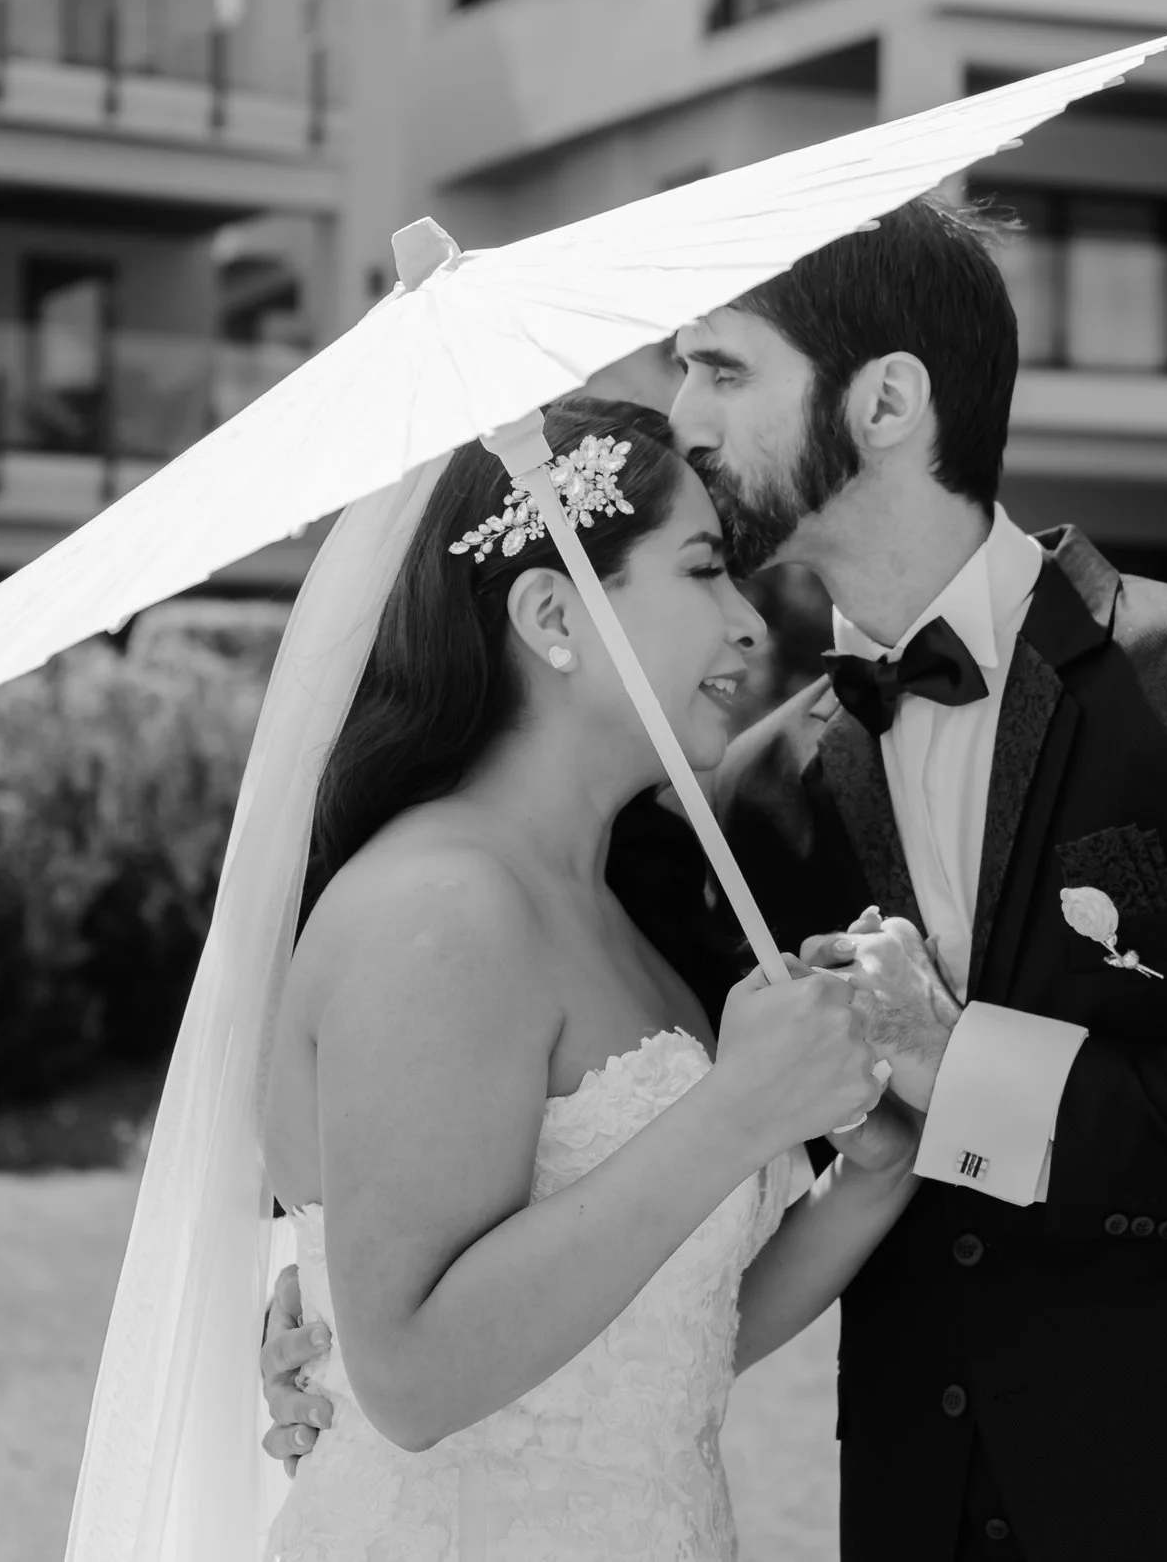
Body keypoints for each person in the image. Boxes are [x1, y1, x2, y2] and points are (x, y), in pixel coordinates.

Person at [266, 199, 1167, 1561]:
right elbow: (514, 1147)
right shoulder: (736, 799)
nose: (680, 414)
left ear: (889, 400)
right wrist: (309, 1310)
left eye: (723, 368)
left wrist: (971, 1075)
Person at [255, 395, 919, 1559]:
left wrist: (867, 1175)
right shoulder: (440, 908)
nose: (750, 621)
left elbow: (656, 1339)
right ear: (553, 610)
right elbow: (411, 1374)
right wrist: (738, 1108)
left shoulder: (613, 911)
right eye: (705, 569)